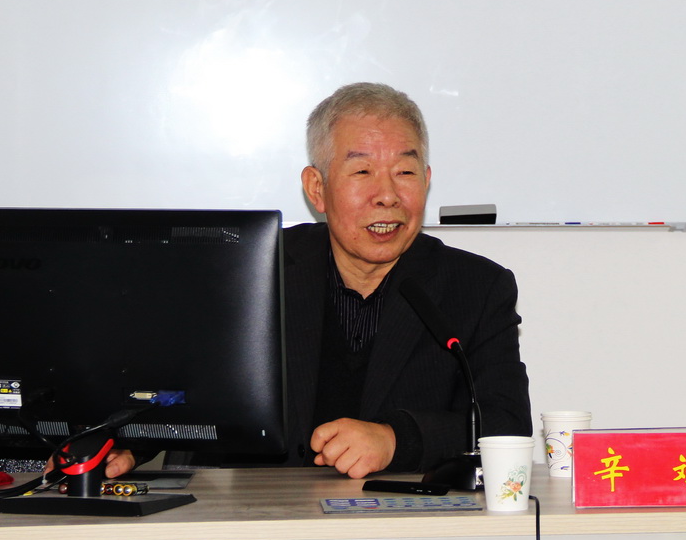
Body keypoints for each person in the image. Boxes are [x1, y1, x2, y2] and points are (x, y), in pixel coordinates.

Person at [103, 82, 531, 479]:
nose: (387, 196)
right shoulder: (247, 274)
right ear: (316, 188)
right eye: (362, 172)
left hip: (397, 517)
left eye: (405, 172)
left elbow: (506, 423)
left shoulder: (476, 288)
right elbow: (173, 391)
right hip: (255, 513)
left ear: (426, 180)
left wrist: (395, 440)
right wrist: (127, 444)